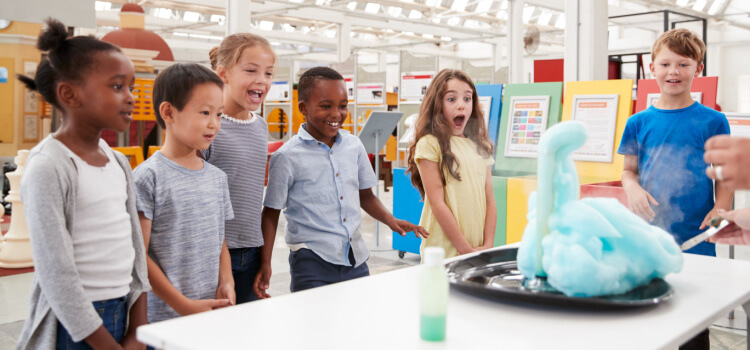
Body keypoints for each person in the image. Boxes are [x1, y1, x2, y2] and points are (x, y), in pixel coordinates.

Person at [15, 19, 149, 349]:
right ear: (69, 95)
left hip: (123, 309)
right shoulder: (49, 166)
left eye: (131, 87)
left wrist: (137, 329)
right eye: (118, 87)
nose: (130, 98)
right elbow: (56, 276)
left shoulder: (118, 161)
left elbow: (135, 250)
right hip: (74, 325)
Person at [261, 67, 428, 293]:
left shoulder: (354, 146)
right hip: (312, 262)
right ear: (303, 108)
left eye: (342, 106)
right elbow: (271, 213)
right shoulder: (287, 157)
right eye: (325, 106)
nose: (336, 114)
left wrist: (390, 220)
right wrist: (264, 263)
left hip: (355, 259)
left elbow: (365, 196)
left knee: (356, 321)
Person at [134, 63, 235, 324]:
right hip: (165, 317)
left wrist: (227, 280)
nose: (214, 124)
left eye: (219, 114)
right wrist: (184, 305)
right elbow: (138, 254)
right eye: (204, 112)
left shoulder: (216, 177)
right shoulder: (148, 177)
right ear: (168, 112)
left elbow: (219, 238)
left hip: (210, 309)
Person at [618, 28, 732, 258]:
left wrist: (721, 209)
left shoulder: (714, 121)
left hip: (698, 232)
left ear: (698, 69)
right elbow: (629, 171)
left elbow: (724, 174)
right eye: (665, 64)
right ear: (652, 69)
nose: (673, 72)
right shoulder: (636, 123)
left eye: (683, 64)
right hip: (648, 232)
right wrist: (632, 188)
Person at [203, 33, 275, 302]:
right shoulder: (209, 126)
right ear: (223, 73)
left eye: (268, 73)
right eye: (251, 70)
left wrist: (264, 258)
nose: (262, 80)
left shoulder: (260, 126)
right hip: (212, 252)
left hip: (252, 251)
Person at [406, 69, 496, 259]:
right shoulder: (430, 143)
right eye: (451, 99)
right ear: (437, 104)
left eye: (467, 98)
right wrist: (465, 251)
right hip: (443, 253)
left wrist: (488, 244)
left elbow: (489, 199)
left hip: (476, 249)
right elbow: (437, 203)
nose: (461, 106)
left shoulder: (481, 146)